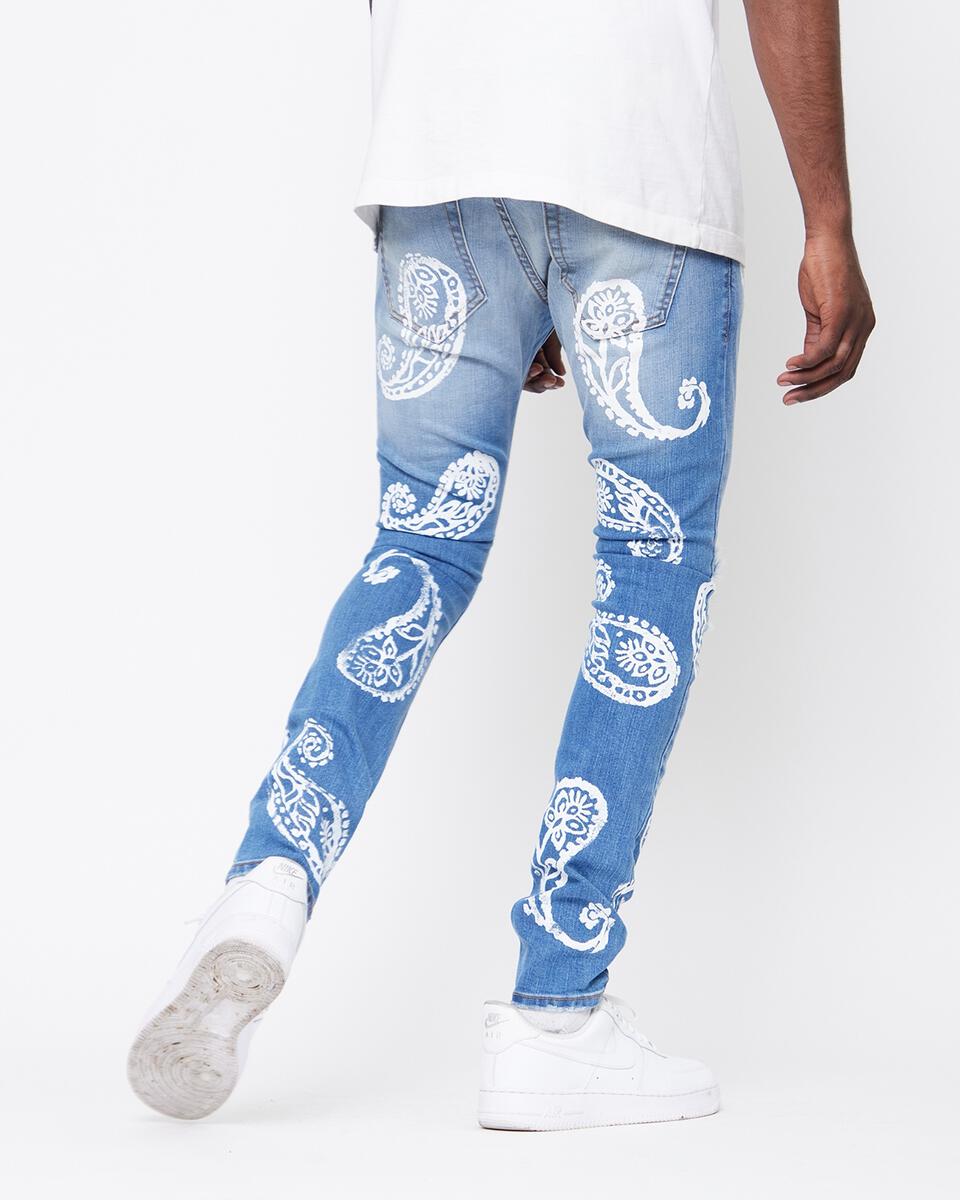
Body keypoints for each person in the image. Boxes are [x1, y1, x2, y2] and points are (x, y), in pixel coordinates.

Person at [128, 0, 875, 1130]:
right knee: (653, 562)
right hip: (633, 150)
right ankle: (555, 1015)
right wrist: (829, 219)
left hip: (440, 154)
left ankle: (267, 880)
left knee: (422, 542)